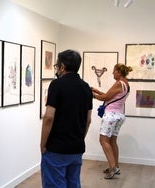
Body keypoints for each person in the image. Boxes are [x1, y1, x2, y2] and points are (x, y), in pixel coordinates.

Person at [40, 49, 93, 188]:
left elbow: (49, 117)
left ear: (62, 66)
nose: (56, 69)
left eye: (57, 66)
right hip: (76, 148)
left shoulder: (57, 85)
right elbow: (88, 120)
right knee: (73, 183)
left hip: (56, 148)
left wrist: (43, 143)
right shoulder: (86, 87)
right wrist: (79, 138)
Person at [91, 63, 132, 179]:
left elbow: (105, 98)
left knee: (103, 141)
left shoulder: (119, 83)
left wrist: (92, 95)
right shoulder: (126, 84)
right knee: (112, 141)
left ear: (119, 72)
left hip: (111, 116)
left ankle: (113, 168)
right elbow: (109, 96)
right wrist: (97, 91)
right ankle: (115, 166)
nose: (112, 73)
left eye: (114, 71)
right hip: (119, 115)